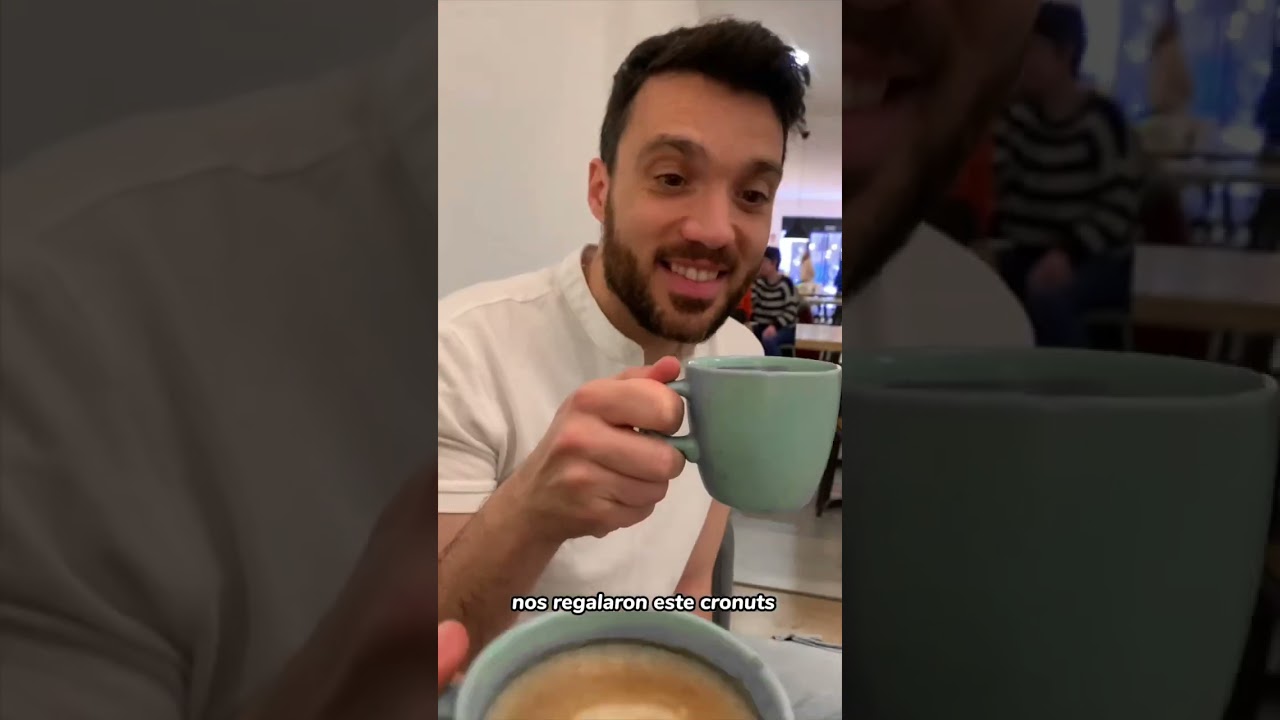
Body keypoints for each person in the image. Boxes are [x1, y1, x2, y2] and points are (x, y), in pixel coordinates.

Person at [0, 0, 1041, 717]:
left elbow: (687, 601)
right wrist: (535, 509)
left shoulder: (739, 352)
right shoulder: (462, 344)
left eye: (753, 192)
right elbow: (435, 646)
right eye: (671, 177)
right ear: (600, 190)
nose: (714, 228)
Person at [991, 2, 1144, 348]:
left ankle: (1074, 381)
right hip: (1025, 254)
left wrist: (1067, 253)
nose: (1023, 61)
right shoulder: (1017, 118)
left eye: (1033, 50)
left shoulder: (1102, 121)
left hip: (1091, 258)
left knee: (1048, 298)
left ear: (1065, 55)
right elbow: (1000, 192)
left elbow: (1119, 208)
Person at [750, 246, 802, 355]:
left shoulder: (786, 284)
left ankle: (776, 366)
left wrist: (774, 326)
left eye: (763, 262)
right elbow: (753, 306)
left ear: (773, 263)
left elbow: (791, 312)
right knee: (741, 336)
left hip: (783, 328)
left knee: (768, 339)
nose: (760, 265)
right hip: (761, 326)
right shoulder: (758, 283)